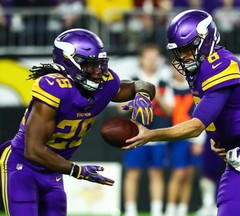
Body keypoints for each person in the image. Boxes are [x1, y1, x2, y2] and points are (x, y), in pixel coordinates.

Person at [122, 9, 240, 215]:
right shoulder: (198, 70)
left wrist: (151, 134)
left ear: (206, 40)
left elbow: (195, 126)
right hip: (235, 155)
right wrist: (217, 135)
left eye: (188, 49)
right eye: (179, 51)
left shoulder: (222, 64)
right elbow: (213, 112)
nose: (183, 57)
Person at [0, 28, 155, 216]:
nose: (98, 71)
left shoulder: (106, 83)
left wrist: (143, 94)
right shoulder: (55, 89)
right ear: (69, 63)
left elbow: (141, 85)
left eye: (101, 64)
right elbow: (33, 150)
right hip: (23, 166)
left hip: (53, 170)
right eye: (90, 65)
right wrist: (76, 170)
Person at [122, 43, 173, 216]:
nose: (152, 61)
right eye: (149, 57)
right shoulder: (131, 81)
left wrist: (154, 93)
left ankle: (157, 210)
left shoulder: (164, 82)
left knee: (157, 173)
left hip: (157, 133)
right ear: (141, 59)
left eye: (155, 57)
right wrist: (136, 98)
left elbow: (170, 109)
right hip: (134, 132)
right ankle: (130, 210)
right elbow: (119, 107)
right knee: (133, 172)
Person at [165, 65, 204, 216]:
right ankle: (170, 208)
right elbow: (168, 110)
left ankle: (182, 209)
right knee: (178, 174)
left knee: (189, 175)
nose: (178, 71)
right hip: (177, 136)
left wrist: (199, 141)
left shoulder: (196, 88)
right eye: (175, 68)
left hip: (194, 135)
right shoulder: (167, 86)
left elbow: (202, 116)